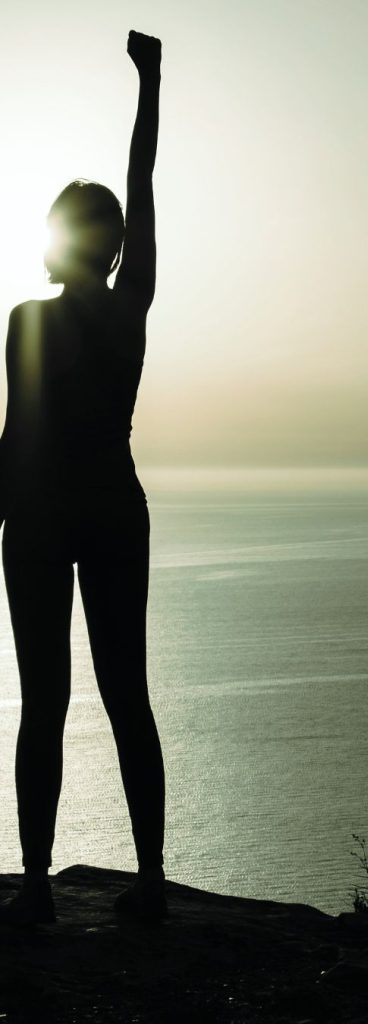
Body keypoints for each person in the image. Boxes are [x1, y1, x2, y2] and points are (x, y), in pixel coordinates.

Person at [0, 30, 166, 924]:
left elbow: (11, 438)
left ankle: (32, 888)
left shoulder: (28, 318)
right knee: (124, 696)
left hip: (38, 517)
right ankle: (148, 886)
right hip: (110, 510)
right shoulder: (128, 311)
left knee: (45, 704)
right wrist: (150, 85)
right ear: (112, 249)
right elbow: (141, 185)